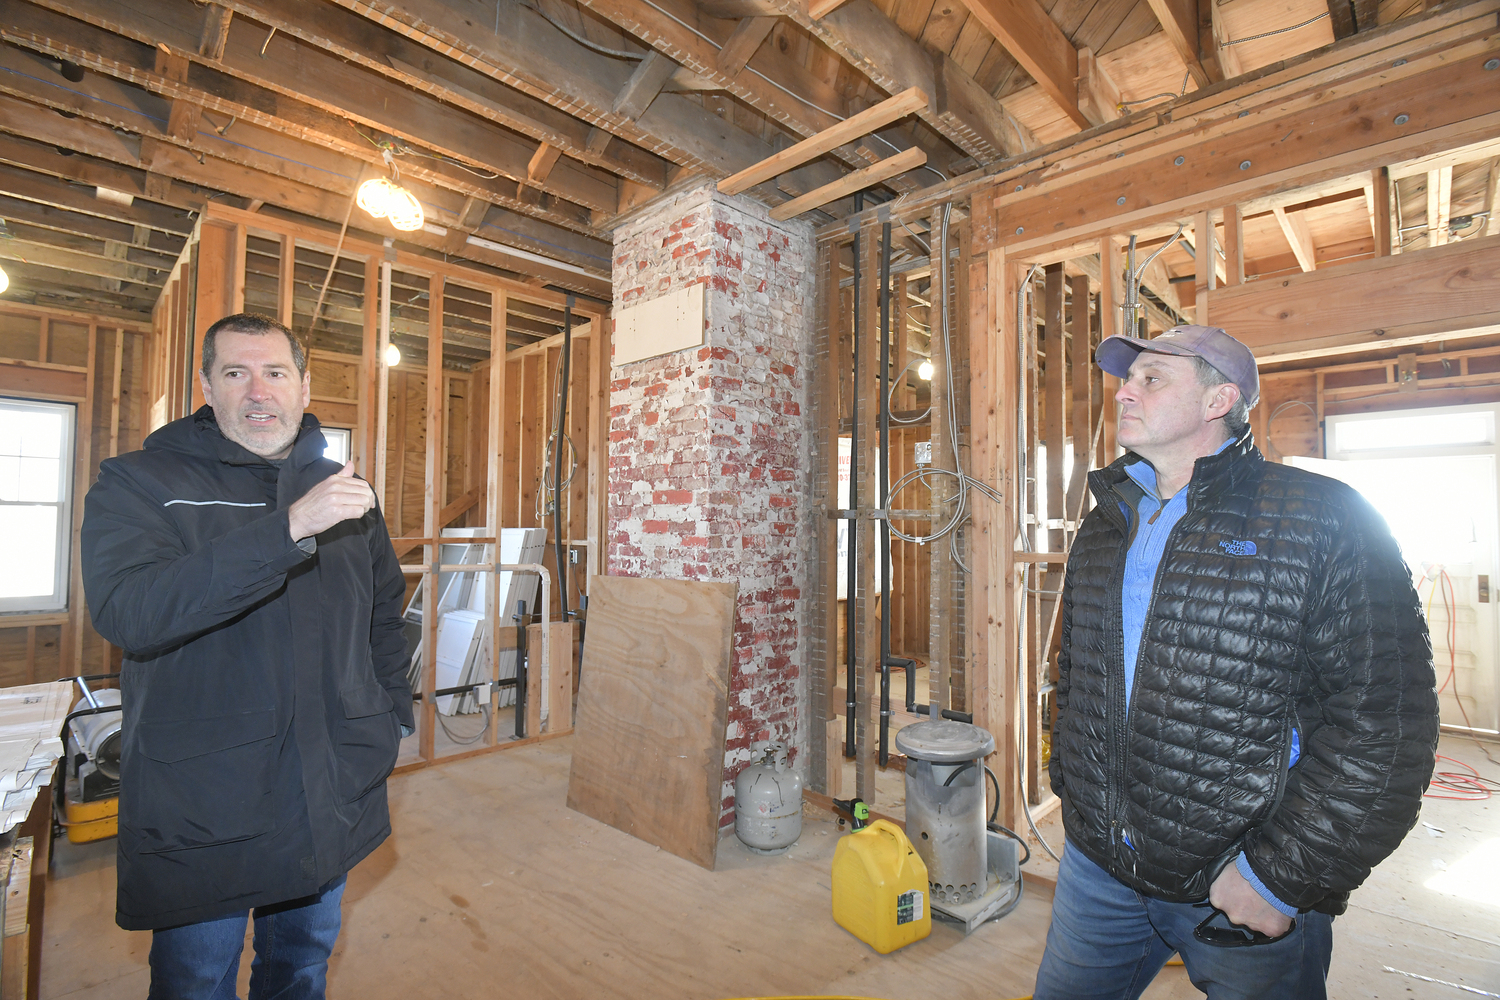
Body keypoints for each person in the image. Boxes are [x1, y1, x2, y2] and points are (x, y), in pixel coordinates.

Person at [1033, 324, 1438, 1000]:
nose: (1125, 392)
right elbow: (1077, 676)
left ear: (1218, 400)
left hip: (1235, 875)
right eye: (1127, 378)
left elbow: (1386, 727)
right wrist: (1075, 793)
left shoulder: (1322, 518)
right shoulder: (1108, 523)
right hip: (1098, 867)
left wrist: (1282, 874)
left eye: (1152, 378)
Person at [81, 313, 412, 1000]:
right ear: (207, 385)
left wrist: (386, 715)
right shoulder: (140, 482)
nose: (258, 392)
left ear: (303, 384)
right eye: (236, 373)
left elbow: (385, 609)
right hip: (208, 803)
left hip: (328, 787)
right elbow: (132, 614)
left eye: (275, 372)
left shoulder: (344, 489)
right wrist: (288, 529)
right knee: (196, 982)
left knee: (298, 971)